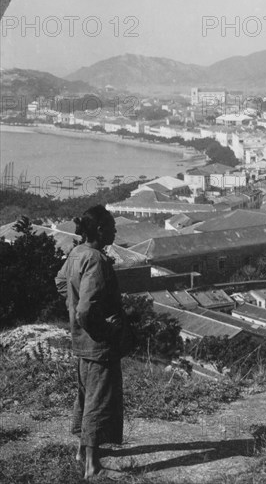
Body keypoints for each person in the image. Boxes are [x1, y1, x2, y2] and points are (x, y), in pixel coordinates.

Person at [55, 205, 124, 480]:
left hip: (82, 341)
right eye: (111, 226)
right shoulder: (95, 259)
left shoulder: (77, 253)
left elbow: (61, 282)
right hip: (98, 344)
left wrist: (72, 307)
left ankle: (82, 452)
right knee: (99, 399)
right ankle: (92, 466)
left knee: (85, 395)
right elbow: (87, 309)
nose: (115, 231)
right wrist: (103, 329)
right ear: (99, 229)